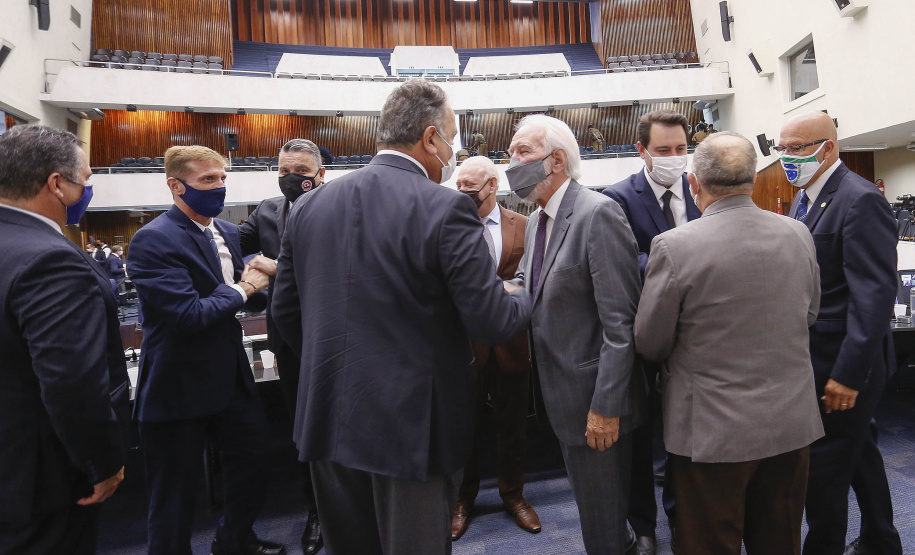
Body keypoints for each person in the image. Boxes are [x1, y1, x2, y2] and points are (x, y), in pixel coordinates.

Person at [271, 79, 532, 555]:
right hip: (412, 430)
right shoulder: (447, 206)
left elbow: (286, 314)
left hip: (328, 416)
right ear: (431, 138)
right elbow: (491, 320)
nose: (451, 152)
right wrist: (520, 292)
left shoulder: (307, 206)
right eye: (451, 138)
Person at [634, 132, 825, 554]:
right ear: (753, 180)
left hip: (710, 434)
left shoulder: (673, 246)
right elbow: (809, 315)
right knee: (779, 540)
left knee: (709, 542)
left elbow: (650, 340)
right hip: (789, 425)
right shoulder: (798, 233)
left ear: (693, 183)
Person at [127, 145, 286, 555]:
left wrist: (264, 279)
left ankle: (234, 541)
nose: (219, 188)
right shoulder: (152, 239)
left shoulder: (228, 232)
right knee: (174, 491)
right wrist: (245, 286)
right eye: (207, 180)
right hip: (177, 381)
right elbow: (189, 315)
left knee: (253, 461)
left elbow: (247, 300)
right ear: (175, 185)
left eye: (222, 178)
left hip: (229, 374)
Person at [505, 114, 643, 554]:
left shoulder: (597, 213)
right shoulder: (538, 219)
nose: (511, 163)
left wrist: (606, 407)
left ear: (557, 160)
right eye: (510, 154)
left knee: (602, 524)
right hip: (562, 397)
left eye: (522, 153)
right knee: (597, 514)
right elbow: (525, 287)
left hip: (595, 405)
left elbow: (620, 326)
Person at [0, 125, 129, 553]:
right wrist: (102, 462)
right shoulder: (49, 258)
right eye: (85, 181)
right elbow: (72, 382)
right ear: (57, 184)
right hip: (40, 479)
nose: (86, 190)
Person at [781, 111, 902, 555]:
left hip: (846, 363)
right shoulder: (803, 198)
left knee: (826, 470)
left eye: (797, 148)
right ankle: (881, 540)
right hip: (817, 356)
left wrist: (848, 375)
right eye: (783, 149)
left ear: (827, 148)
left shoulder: (859, 198)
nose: (788, 158)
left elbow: (873, 298)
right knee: (862, 453)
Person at [602, 109, 700, 555]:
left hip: (699, 338)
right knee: (640, 441)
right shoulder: (617, 198)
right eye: (664, 151)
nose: (675, 158)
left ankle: (684, 517)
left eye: (681, 149)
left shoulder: (703, 190)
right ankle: (642, 526)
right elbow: (627, 264)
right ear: (642, 151)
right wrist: (685, 266)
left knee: (689, 436)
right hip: (645, 334)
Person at [239, 138, 325, 555]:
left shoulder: (337, 206)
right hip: (287, 339)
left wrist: (278, 267)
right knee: (301, 428)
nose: (291, 178)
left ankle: (347, 505)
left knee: (337, 421)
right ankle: (317, 511)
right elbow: (232, 238)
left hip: (331, 333)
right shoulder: (268, 210)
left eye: (300, 172)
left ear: (319, 174)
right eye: (283, 170)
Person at [451, 156, 540, 541]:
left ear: (492, 184)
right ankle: (461, 500)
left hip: (511, 344)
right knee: (462, 430)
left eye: (471, 187)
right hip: (462, 347)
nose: (464, 194)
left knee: (513, 428)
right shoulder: (448, 228)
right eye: (459, 187)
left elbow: (530, 279)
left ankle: (513, 495)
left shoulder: (524, 225)